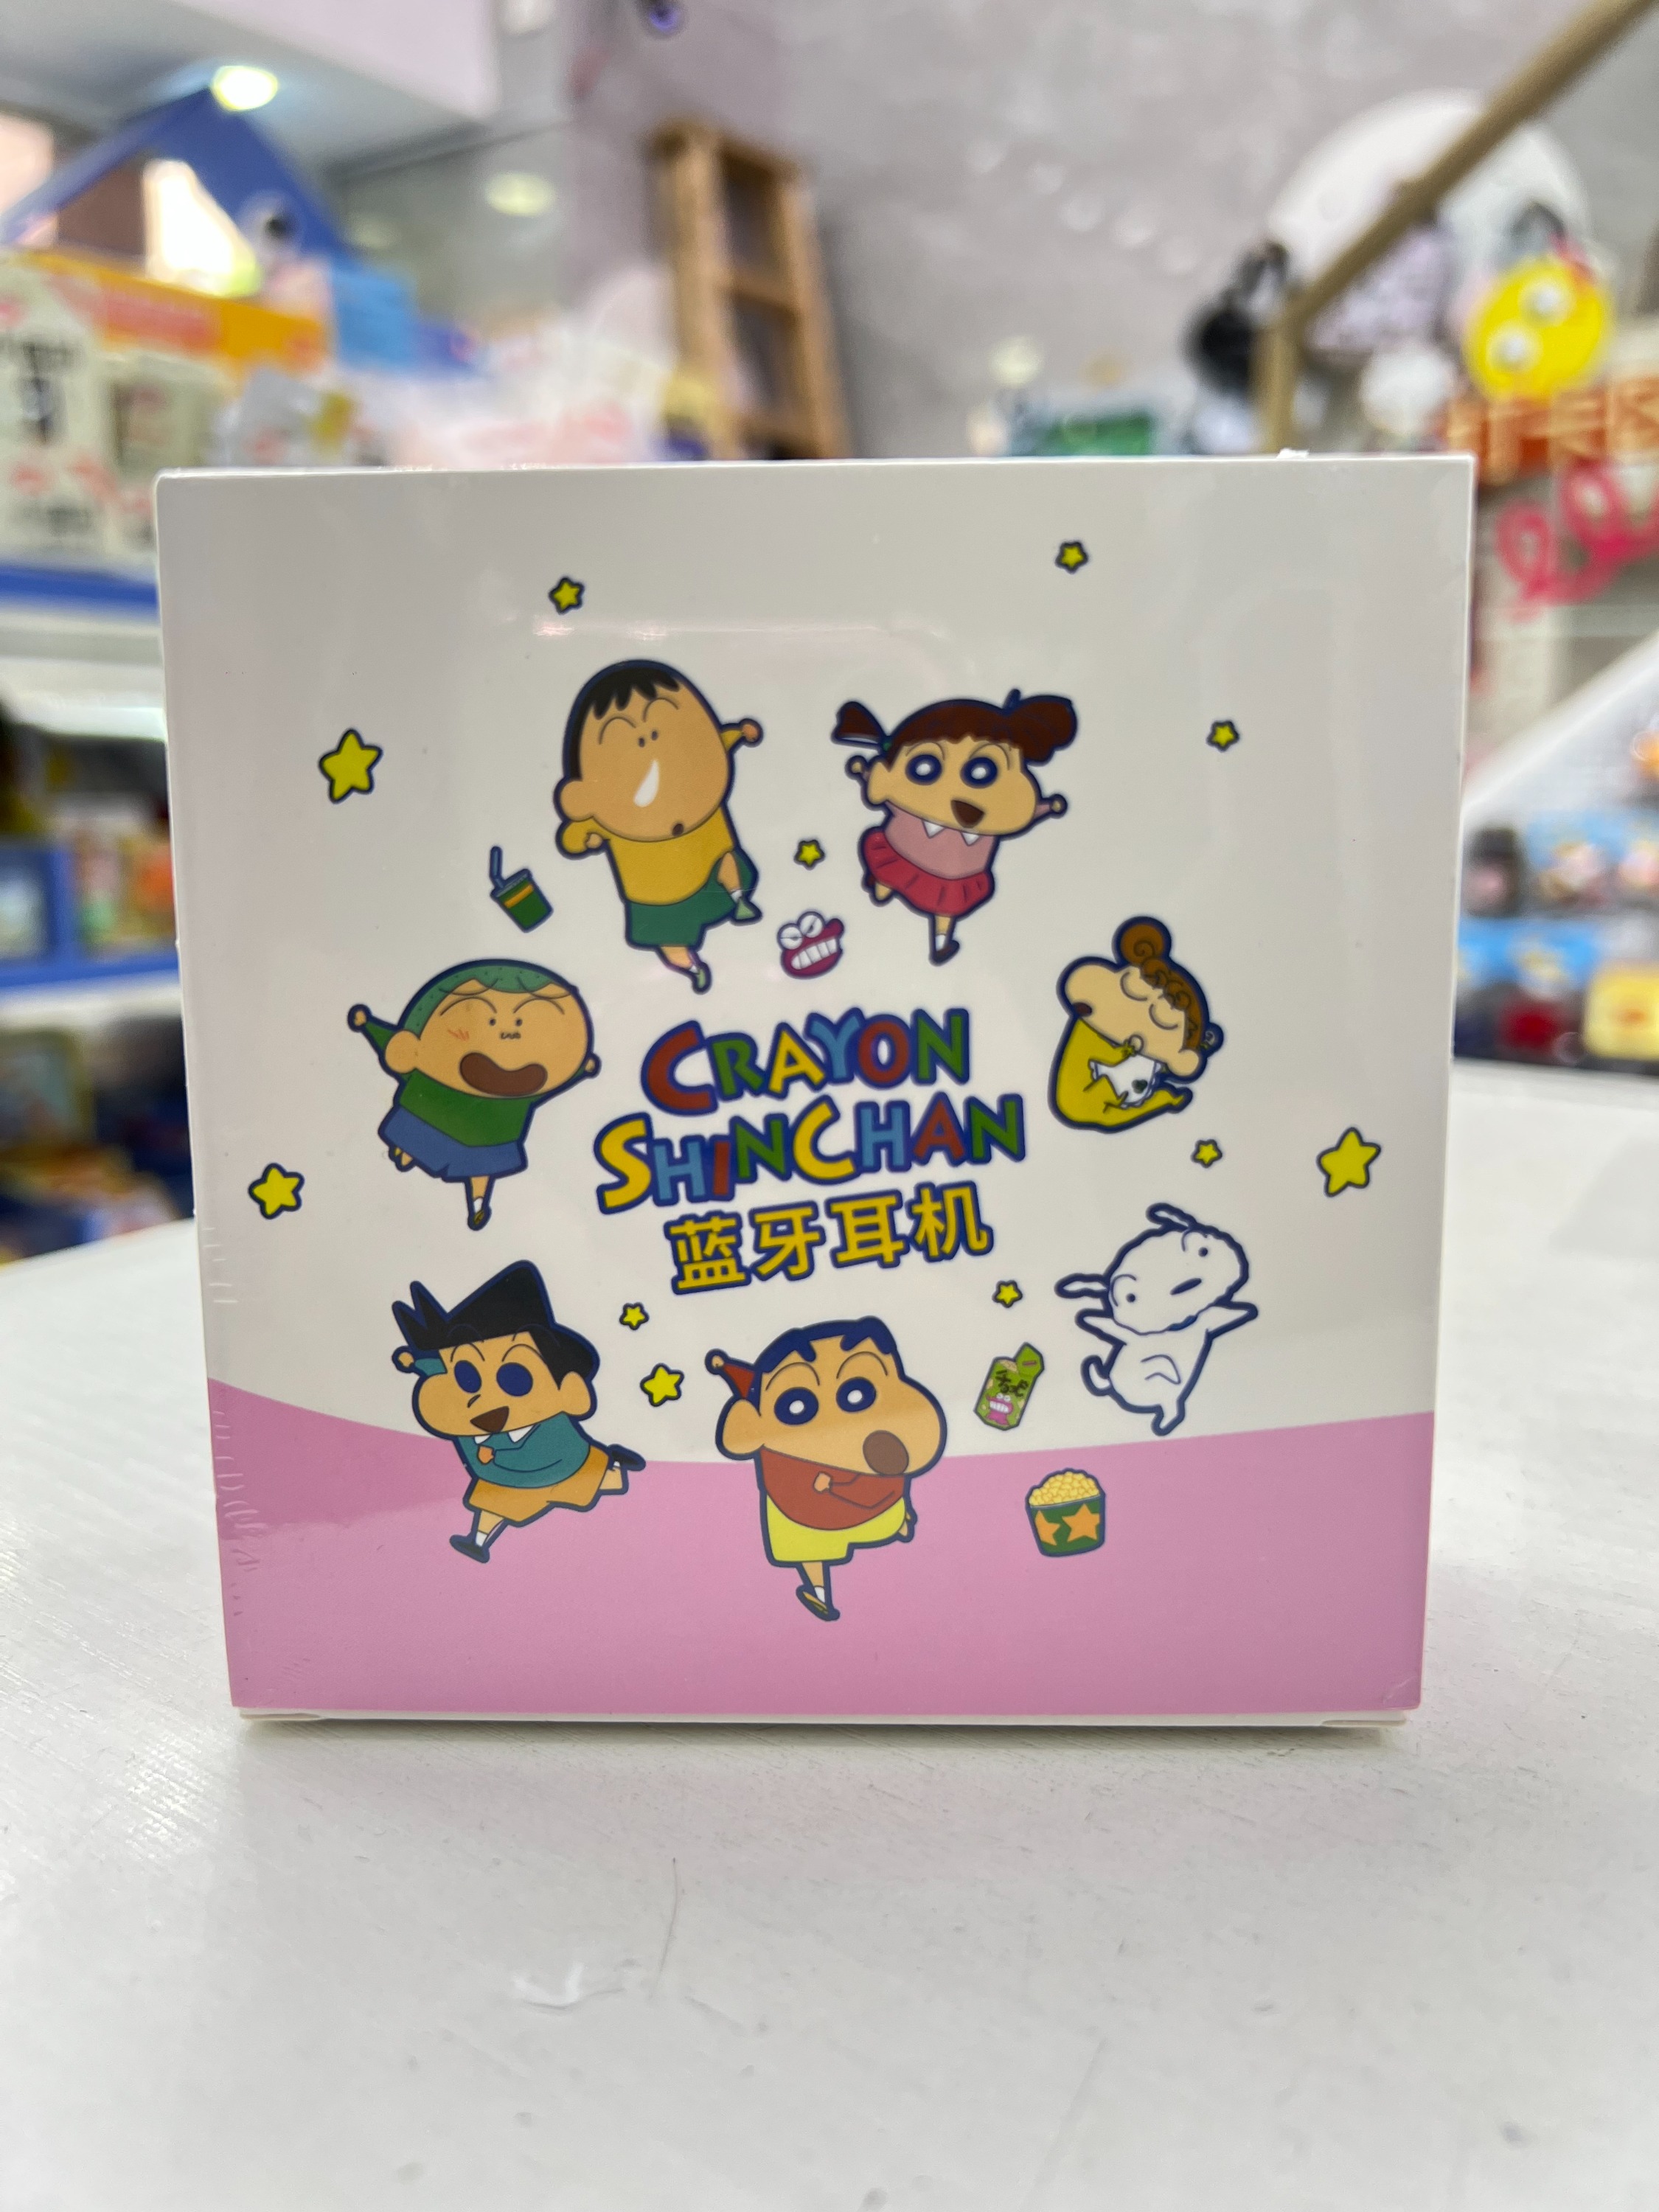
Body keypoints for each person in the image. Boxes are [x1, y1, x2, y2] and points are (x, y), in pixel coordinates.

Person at [392, 1260, 643, 1563]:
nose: (485, 1399)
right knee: (491, 1505)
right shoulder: (462, 1409)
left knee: (601, 1482)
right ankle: (477, 1542)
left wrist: (494, 1447)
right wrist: (416, 1362)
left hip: (564, 1466)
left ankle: (616, 1464)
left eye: (515, 1379)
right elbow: (442, 1366)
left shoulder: (547, 1421)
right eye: (467, 1378)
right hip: (504, 1479)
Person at [706, 1318, 946, 1622]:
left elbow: (882, 1482)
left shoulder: (880, 1443)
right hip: (800, 1516)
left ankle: (895, 1523)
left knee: (875, 1517)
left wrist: (835, 1485)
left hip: (870, 1509)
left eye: (858, 1393)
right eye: (795, 1406)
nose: (832, 1422)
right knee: (809, 1546)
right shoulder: (780, 1458)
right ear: (752, 1422)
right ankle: (820, 1590)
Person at [554, 658, 763, 991]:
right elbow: (572, 837)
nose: (645, 737)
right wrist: (586, 838)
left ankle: (738, 899)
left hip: (706, 859)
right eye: (622, 733)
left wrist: (740, 733)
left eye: (658, 723)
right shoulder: (601, 810)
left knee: (726, 863)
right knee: (671, 941)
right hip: (658, 898)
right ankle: (693, 967)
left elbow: (713, 744)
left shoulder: (696, 758)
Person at [833, 686, 1076, 964]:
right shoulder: (908, 801)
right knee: (889, 877)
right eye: (925, 767)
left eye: (983, 772)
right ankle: (882, 888)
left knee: (945, 911)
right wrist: (865, 773)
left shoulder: (996, 814)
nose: (957, 797)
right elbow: (888, 792)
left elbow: (1025, 812)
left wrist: (1047, 808)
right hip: (902, 857)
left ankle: (940, 944)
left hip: (952, 881)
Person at [349, 960, 597, 1230]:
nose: (508, 1033)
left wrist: (579, 1071)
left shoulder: (519, 1096)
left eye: (524, 1022)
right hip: (428, 1122)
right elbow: (395, 1045)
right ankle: (407, 1153)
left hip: (488, 1140)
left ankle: (478, 1203)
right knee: (424, 1146)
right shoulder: (427, 1067)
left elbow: (558, 1076)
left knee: (480, 1170)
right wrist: (369, 1026)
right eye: (489, 1021)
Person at [1050, 919, 1222, 1134]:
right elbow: (1103, 1055)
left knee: (1114, 1113)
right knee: (1113, 1114)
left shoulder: (1093, 1023)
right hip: (1087, 1096)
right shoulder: (1091, 1028)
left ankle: (1163, 1098)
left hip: (1092, 1097)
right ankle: (1163, 1098)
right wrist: (1126, 1051)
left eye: (1162, 1023)